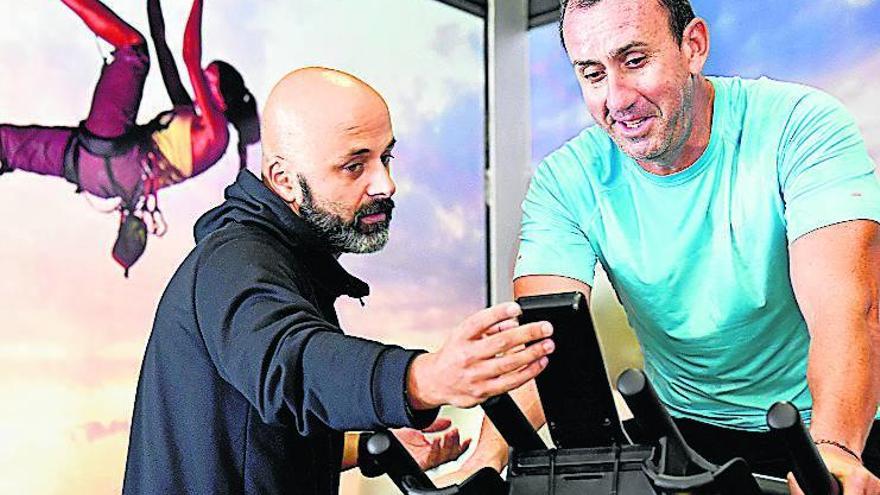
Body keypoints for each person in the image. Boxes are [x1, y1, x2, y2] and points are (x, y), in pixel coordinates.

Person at [455, 0, 880, 493]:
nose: (617, 98)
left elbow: (848, 310)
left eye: (634, 61)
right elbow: (543, 341)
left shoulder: (799, 126)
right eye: (593, 73)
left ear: (693, 46)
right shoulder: (566, 180)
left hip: (833, 420)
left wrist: (835, 449)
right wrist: (485, 462)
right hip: (684, 424)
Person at [121, 67, 557, 494]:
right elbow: (290, 365)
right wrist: (425, 376)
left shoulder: (285, 262)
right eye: (354, 166)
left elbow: (256, 431)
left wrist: (369, 447)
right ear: (284, 181)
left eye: (385, 158)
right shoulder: (235, 260)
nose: (386, 184)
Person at [0, 0, 259, 275]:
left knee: (132, 50)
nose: (200, 88)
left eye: (208, 83)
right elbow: (162, 45)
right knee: (5, 143)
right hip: (90, 168)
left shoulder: (216, 134)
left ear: (223, 99)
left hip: (112, 153)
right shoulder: (189, 118)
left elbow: (189, 58)